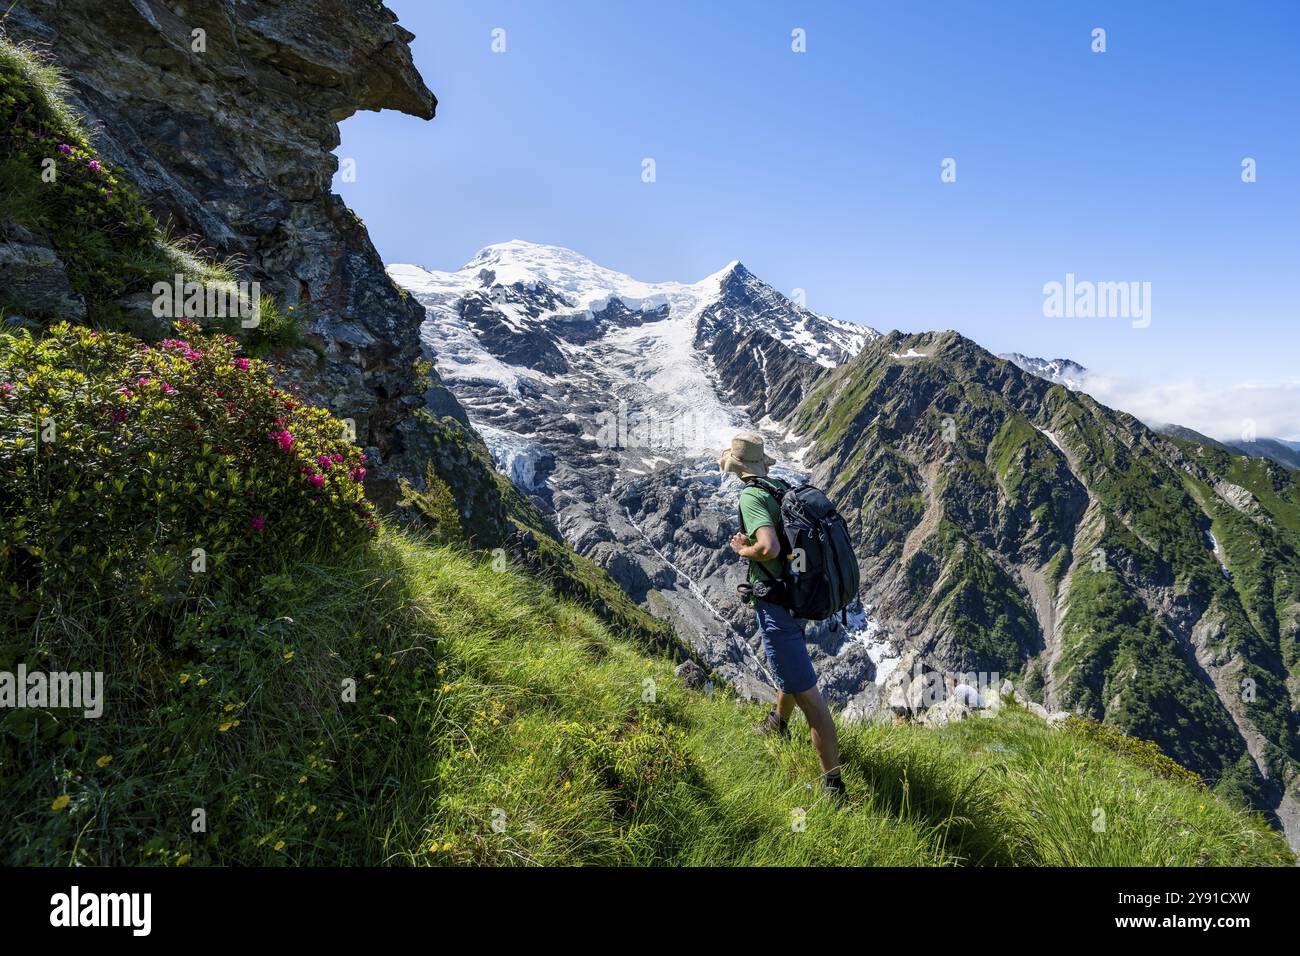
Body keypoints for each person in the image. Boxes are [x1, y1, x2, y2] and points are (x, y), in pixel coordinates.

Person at [719, 431, 846, 802]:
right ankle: (778, 723)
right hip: (797, 594)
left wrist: (744, 550)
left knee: (811, 698)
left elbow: (769, 546)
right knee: (787, 672)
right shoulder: (777, 487)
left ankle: (833, 787)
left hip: (776, 601)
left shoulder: (751, 495)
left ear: (736, 467)